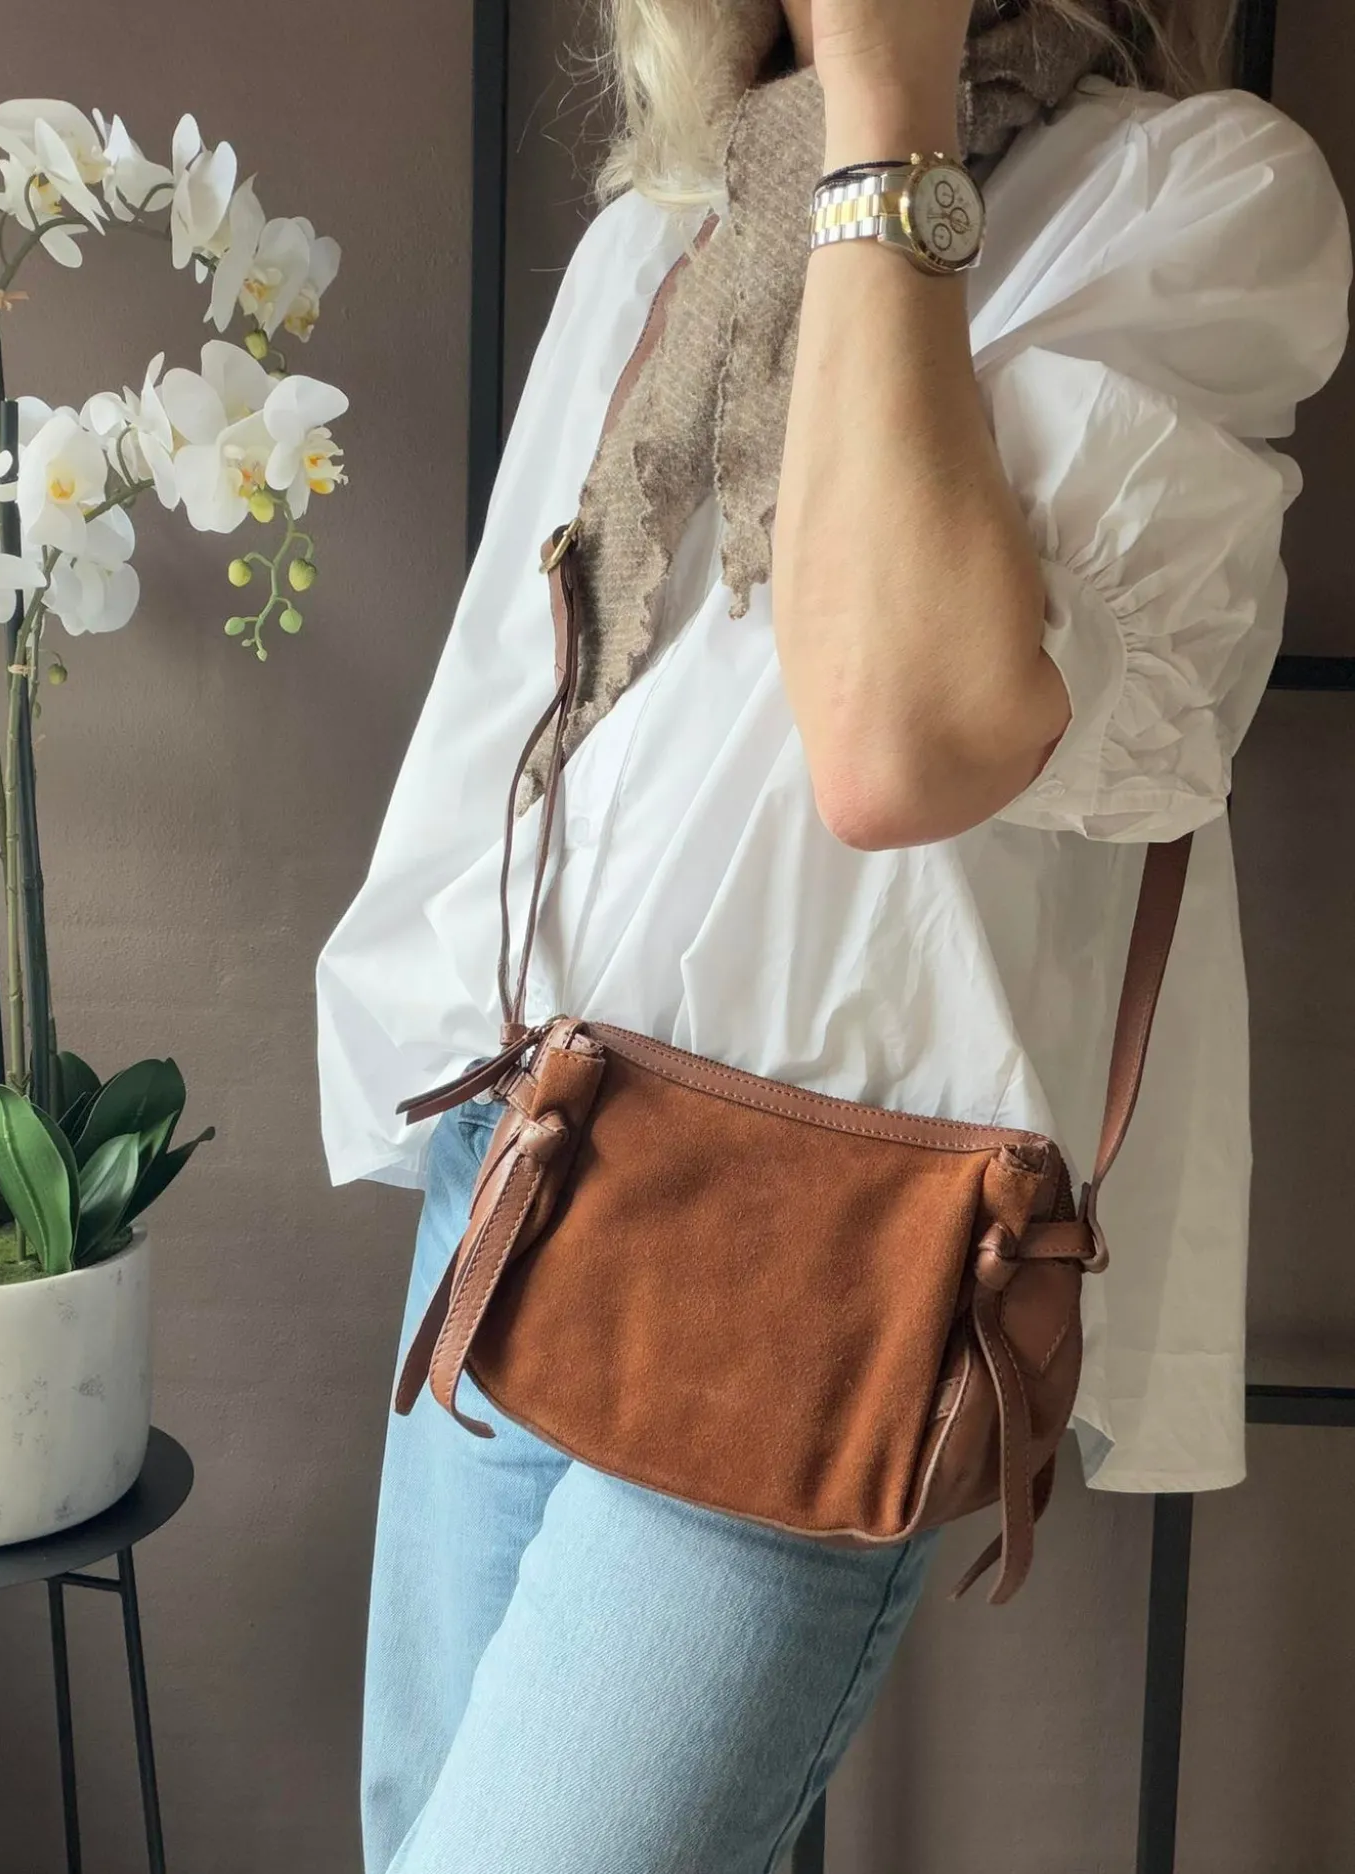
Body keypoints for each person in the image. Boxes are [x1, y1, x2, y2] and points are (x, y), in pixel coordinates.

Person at [315, 2, 1351, 1868]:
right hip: (526, 1160)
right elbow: (513, 729)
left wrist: (887, 103)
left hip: (816, 1265)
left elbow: (900, 738)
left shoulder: (1189, 200)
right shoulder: (668, 230)